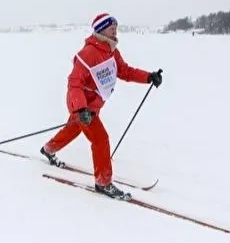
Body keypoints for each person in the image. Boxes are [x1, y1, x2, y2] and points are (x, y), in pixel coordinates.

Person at [40, 12, 162, 199]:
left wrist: (148, 77)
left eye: (116, 28)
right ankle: (103, 182)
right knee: (100, 139)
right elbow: (74, 83)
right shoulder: (87, 53)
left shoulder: (112, 51)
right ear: (101, 30)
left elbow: (125, 71)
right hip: (82, 106)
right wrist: (80, 109)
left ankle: (49, 149)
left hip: (92, 106)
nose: (115, 31)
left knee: (73, 129)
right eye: (111, 27)